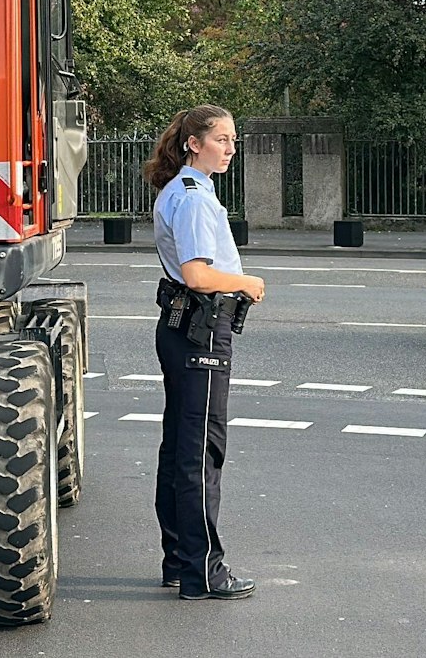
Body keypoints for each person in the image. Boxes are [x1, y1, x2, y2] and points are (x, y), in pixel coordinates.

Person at [144, 104, 266, 601]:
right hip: (201, 326)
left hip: (182, 326)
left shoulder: (184, 191)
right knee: (200, 451)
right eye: (221, 139)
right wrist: (247, 282)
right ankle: (203, 572)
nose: (230, 147)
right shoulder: (193, 197)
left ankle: (179, 560)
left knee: (179, 445)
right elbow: (197, 274)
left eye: (233, 139)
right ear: (194, 143)